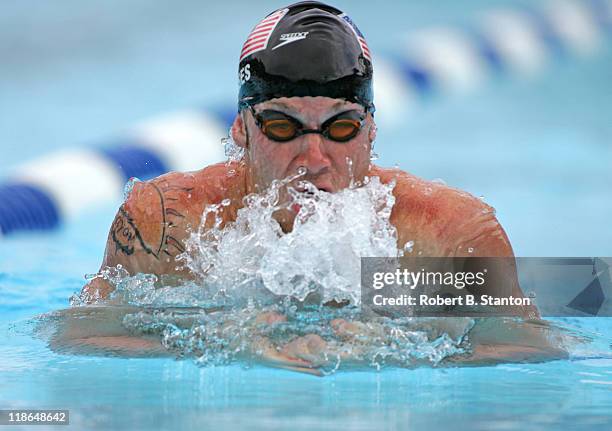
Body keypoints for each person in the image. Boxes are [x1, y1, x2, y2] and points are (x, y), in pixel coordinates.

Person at [73, 1, 561, 372]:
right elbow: (77, 334)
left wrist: (392, 354)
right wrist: (228, 344)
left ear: (371, 130)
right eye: (283, 128)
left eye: (341, 128)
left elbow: (532, 346)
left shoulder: (443, 234)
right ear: (241, 129)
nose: (313, 159)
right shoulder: (171, 223)